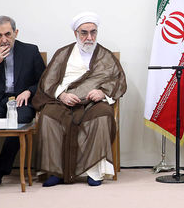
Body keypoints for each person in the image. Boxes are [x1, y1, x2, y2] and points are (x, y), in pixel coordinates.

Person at [32, 12, 126, 187]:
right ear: (76, 33)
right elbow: (48, 81)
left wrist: (102, 93)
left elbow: (118, 80)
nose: (89, 37)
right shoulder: (63, 54)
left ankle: (94, 172)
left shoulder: (105, 56)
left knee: (103, 116)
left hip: (93, 103)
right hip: (65, 101)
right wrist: (62, 95)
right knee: (48, 116)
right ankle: (56, 171)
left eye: (93, 32)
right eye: (84, 32)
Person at [0, 16, 46, 187]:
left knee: (20, 121)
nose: (3, 40)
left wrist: (29, 91)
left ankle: (1, 168)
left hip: (20, 99)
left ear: (16, 33)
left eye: (7, 34)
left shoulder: (30, 50)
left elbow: (43, 80)